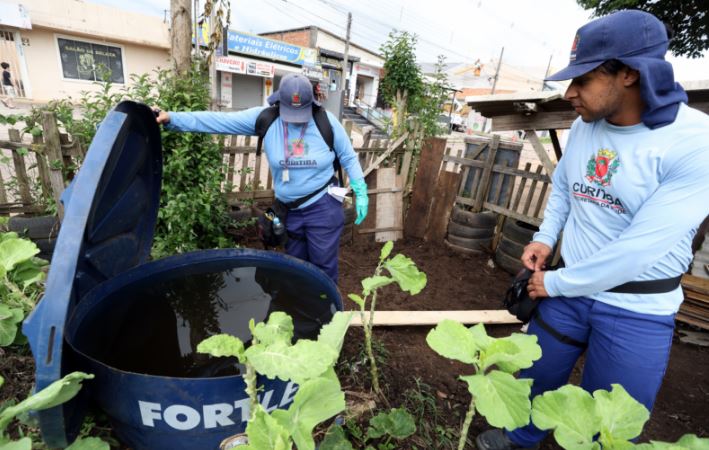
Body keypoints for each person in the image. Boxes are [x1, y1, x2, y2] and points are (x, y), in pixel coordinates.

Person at [476, 10, 709, 450]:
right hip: (567, 292)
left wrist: (555, 282)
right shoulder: (586, 126)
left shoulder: (694, 141)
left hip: (637, 308)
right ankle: (521, 438)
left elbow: (638, 252)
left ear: (628, 74)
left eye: (582, 79)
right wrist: (546, 237)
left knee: (610, 420)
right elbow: (564, 187)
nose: (569, 93)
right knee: (536, 379)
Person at [155, 73, 368, 283]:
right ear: (278, 103)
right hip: (289, 210)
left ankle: (326, 314)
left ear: (311, 103)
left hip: (322, 206)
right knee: (296, 267)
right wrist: (173, 118)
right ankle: (301, 312)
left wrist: (361, 189)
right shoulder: (266, 119)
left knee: (323, 268)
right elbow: (219, 120)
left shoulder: (326, 122)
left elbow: (348, 156)